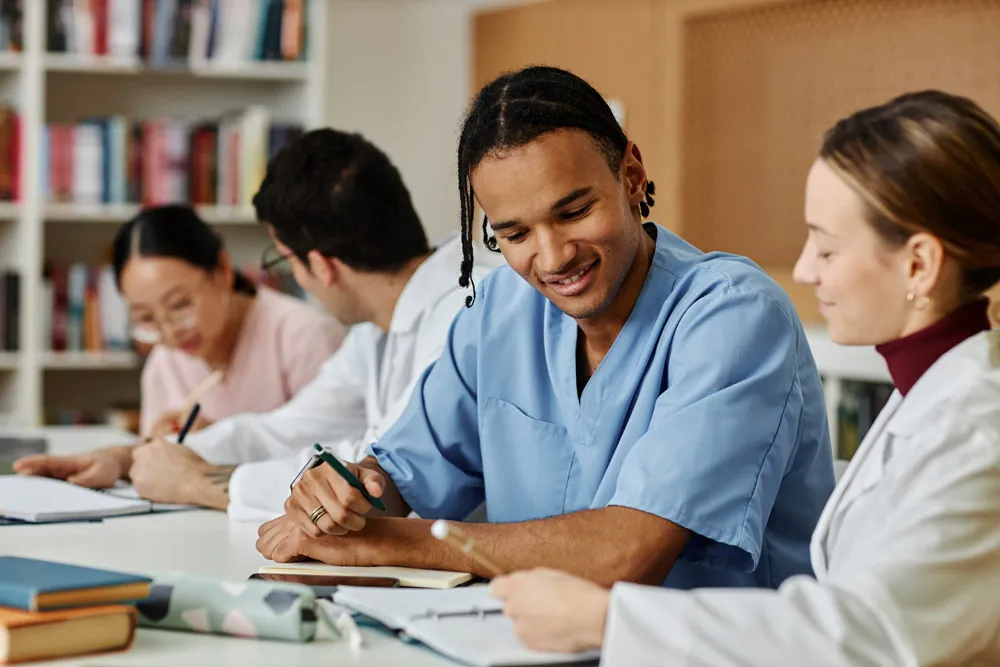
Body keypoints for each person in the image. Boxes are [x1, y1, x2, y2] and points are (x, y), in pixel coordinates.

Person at [256, 66, 834, 591]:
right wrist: (343, 497)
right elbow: (403, 475)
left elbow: (628, 554)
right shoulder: (500, 310)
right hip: (522, 642)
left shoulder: (733, 314)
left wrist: (388, 543)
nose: (553, 257)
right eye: (515, 235)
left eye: (575, 211)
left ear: (631, 176)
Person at [490, 90, 1000, 666]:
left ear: (919, 265)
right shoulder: (931, 397)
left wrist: (606, 619)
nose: (805, 270)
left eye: (827, 251)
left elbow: (870, 633)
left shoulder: (979, 430)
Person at [44, 128, 498, 517]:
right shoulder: (374, 331)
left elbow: (379, 480)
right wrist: (131, 458)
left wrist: (201, 484)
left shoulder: (467, 312)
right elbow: (285, 429)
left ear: (320, 266)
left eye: (284, 261)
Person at [14, 204, 343, 490]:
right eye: (146, 317)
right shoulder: (166, 359)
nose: (170, 331)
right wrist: (146, 451)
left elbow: (336, 458)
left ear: (223, 271)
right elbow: (160, 467)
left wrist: (214, 443)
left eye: (181, 304)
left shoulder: (303, 336)